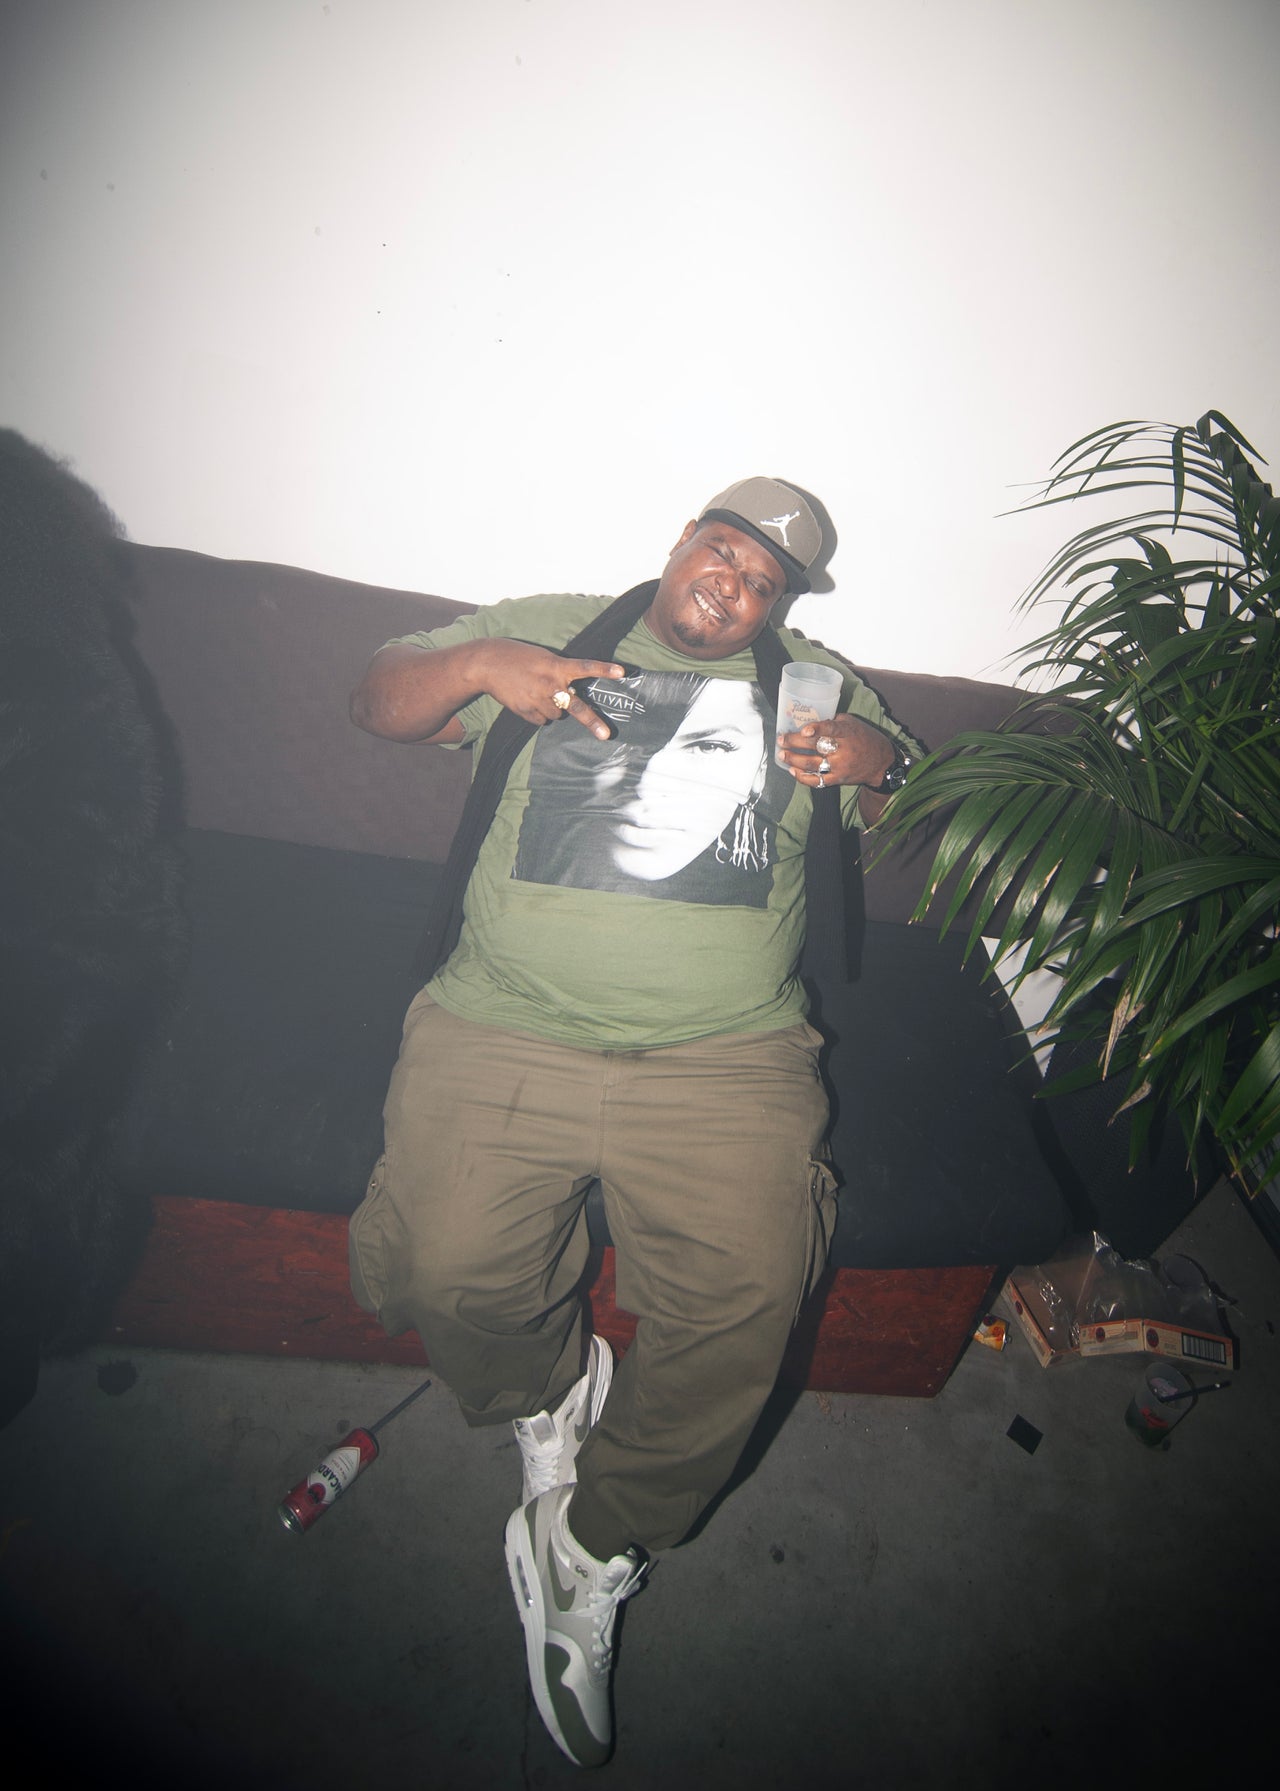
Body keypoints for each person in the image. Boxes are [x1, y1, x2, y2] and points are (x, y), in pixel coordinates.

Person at [347, 477, 919, 1767]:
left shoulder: (818, 684)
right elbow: (375, 697)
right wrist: (486, 666)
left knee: (751, 1297)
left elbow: (925, 815)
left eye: (766, 581)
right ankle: (552, 1397)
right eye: (723, 550)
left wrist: (880, 765)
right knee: (446, 1265)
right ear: (680, 542)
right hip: (503, 1018)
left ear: (783, 605)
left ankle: (592, 1543)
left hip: (728, 1054)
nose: (736, 585)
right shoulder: (556, 623)